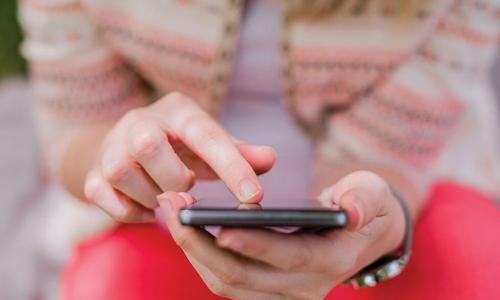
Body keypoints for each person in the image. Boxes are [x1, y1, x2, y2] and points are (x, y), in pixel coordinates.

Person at [19, 0, 500, 299]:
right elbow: (76, 123)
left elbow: (395, 150)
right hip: (157, 225)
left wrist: (380, 226)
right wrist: (119, 153)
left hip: (411, 198)